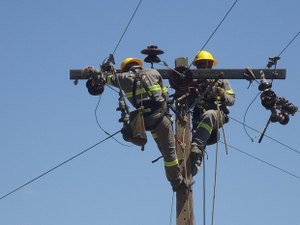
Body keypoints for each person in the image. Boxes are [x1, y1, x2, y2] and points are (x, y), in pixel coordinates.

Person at [86, 57, 192, 191]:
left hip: (143, 122)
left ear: (125, 68)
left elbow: (102, 78)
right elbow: (165, 97)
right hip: (160, 119)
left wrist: (92, 70)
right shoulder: (154, 72)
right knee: (170, 154)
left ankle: (176, 176)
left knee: (165, 152)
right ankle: (178, 183)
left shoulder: (123, 78)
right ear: (138, 65)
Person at [190, 50, 235, 176]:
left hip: (217, 115)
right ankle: (191, 169)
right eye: (201, 64)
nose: (204, 67)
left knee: (209, 114)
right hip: (198, 120)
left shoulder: (221, 81)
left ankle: (197, 147)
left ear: (211, 65)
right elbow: (185, 103)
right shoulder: (192, 81)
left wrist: (221, 93)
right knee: (192, 145)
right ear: (196, 66)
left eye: (207, 64)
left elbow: (232, 100)